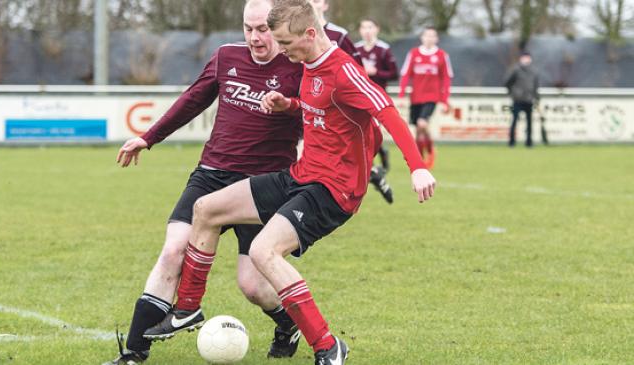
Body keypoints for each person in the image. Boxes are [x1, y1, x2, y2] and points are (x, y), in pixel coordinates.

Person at [146, 1, 436, 364]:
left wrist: (417, 166)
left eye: (285, 43)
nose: (280, 50)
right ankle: (188, 308)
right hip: (299, 175)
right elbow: (320, 109)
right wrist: (290, 106)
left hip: (332, 191)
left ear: (310, 34)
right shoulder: (308, 65)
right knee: (207, 208)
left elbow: (386, 110)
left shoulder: (343, 70)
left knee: (262, 251)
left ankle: (328, 346)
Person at [104, 1, 304, 363]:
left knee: (254, 286)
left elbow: (320, 115)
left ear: (279, 26)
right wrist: (148, 137)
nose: (255, 37)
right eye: (248, 28)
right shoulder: (227, 57)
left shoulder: (297, 65)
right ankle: (134, 352)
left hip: (264, 184)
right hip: (213, 173)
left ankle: (288, 323)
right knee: (172, 250)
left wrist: (290, 106)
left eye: (263, 29)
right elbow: (192, 99)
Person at [308, 0, 394, 203]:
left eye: (317, 0)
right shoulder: (296, 32)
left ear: (325, 5)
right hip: (305, 105)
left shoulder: (339, 35)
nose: (311, 3)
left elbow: (357, 71)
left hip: (335, 109)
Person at [398, 26, 453, 169]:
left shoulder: (442, 55)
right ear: (422, 38)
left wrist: (445, 98)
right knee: (417, 129)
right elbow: (405, 74)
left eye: (432, 36)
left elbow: (446, 77)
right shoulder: (414, 53)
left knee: (423, 123)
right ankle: (421, 159)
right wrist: (402, 95)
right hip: (416, 97)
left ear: (436, 39)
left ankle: (430, 152)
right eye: (426, 36)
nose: (429, 38)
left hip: (432, 97)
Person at [356, 18, 399, 173]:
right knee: (362, 131)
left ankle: (372, 163)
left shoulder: (383, 49)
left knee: (373, 132)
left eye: (370, 27)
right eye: (364, 27)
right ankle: (375, 158)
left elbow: (394, 74)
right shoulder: (356, 49)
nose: (367, 30)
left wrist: (376, 72)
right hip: (359, 97)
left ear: (377, 29)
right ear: (360, 30)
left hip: (378, 98)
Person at [505, 50, 539, 147]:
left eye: (528, 57)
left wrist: (536, 98)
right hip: (517, 100)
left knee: (529, 123)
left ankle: (529, 142)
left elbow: (535, 86)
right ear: (521, 58)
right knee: (514, 121)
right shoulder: (515, 70)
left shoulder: (534, 71)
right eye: (524, 57)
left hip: (529, 100)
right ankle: (512, 142)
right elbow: (507, 83)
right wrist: (513, 94)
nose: (526, 59)